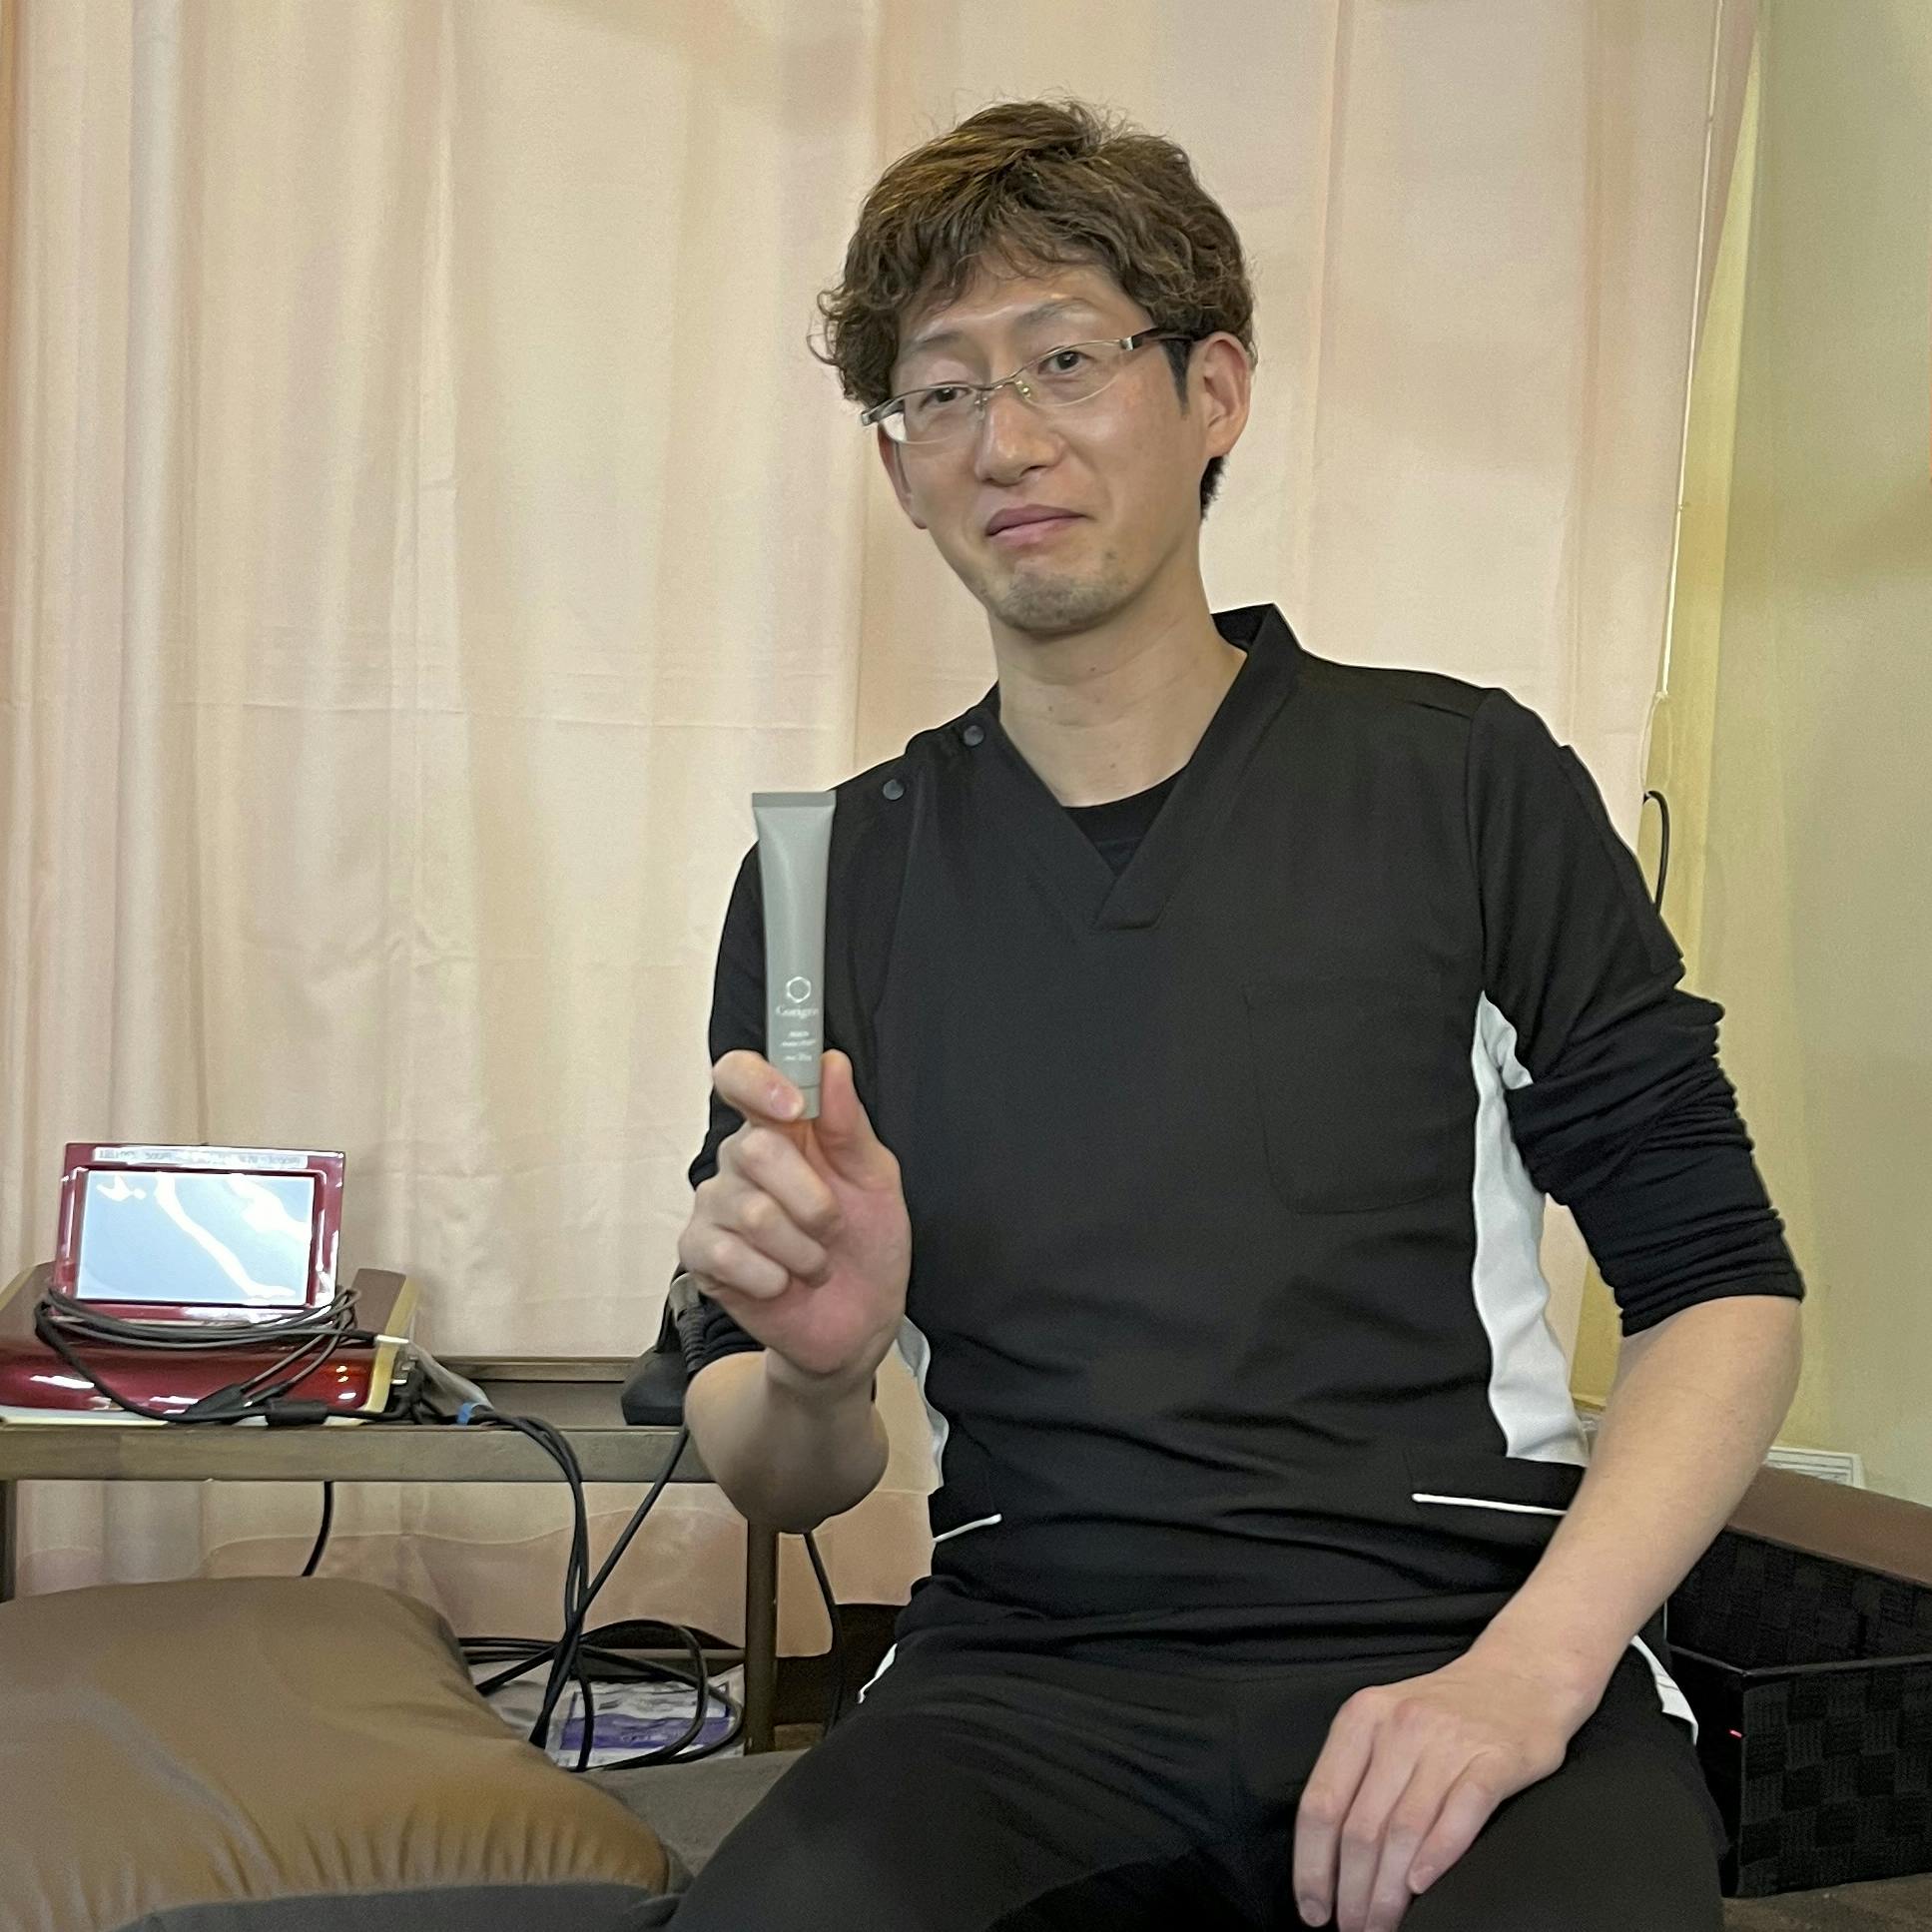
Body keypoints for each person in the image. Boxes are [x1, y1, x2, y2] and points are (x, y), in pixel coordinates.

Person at [663, 100, 1804, 1932]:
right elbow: (775, 1466)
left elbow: (1722, 1288)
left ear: (1215, 390)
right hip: (1022, 1662)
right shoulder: (825, 881)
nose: (1005, 440)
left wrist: (1532, 1676)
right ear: (896, 467)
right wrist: (812, 1367)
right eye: (940, 392)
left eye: (1065, 360)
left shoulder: (1463, 783)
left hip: (1458, 1624)